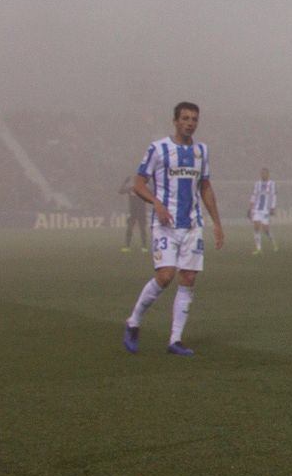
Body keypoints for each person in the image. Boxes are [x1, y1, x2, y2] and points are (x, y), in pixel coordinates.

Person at [123, 101, 225, 355]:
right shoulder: (158, 149)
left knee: (188, 278)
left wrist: (217, 223)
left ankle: (175, 340)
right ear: (175, 121)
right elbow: (138, 183)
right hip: (165, 224)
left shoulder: (202, 151)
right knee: (165, 275)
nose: (190, 123)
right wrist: (156, 202)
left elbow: (205, 187)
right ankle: (134, 322)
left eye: (194, 119)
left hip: (192, 225)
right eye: (186, 118)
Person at [249, 168, 278, 253]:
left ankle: (273, 243)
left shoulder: (272, 184)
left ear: (268, 174)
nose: (263, 175)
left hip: (266, 209)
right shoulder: (257, 184)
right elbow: (254, 195)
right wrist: (251, 207)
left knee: (266, 229)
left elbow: (274, 196)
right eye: (261, 173)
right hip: (257, 209)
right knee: (256, 227)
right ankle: (258, 248)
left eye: (264, 173)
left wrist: (273, 207)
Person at [119, 175, 150, 251]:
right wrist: (125, 182)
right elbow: (120, 191)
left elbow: (153, 192)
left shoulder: (144, 189)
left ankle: (144, 246)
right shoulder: (131, 189)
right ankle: (127, 246)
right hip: (133, 212)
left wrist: (150, 183)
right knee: (129, 229)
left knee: (142, 229)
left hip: (141, 212)